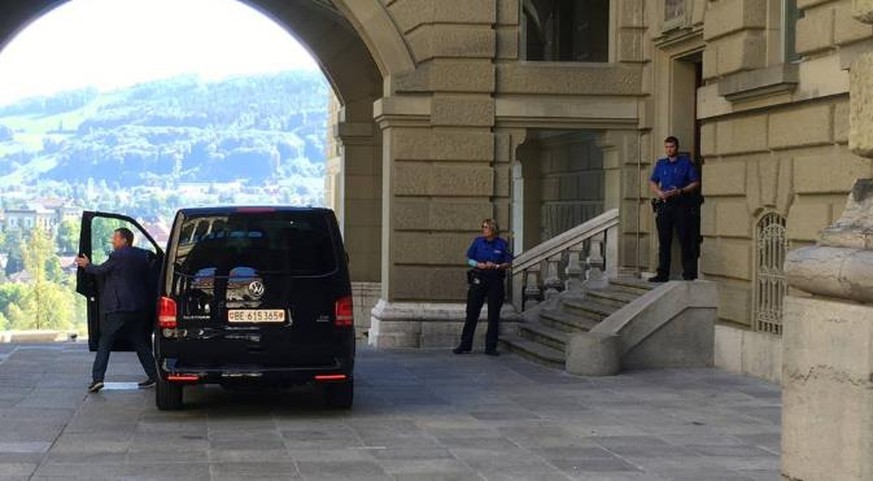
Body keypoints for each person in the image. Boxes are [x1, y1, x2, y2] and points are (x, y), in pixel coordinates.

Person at [75, 227, 159, 393]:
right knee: (140, 342)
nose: (113, 241)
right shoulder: (142, 255)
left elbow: (101, 270)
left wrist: (87, 265)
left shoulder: (118, 256)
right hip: (139, 308)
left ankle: (98, 379)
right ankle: (154, 375)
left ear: (124, 240)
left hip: (119, 307)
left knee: (105, 342)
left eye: (115, 238)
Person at [453, 219, 512, 356]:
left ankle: (490, 346)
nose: (483, 229)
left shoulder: (502, 244)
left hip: (495, 279)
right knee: (472, 311)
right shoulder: (478, 242)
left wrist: (496, 266)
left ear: (493, 230)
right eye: (483, 227)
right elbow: (469, 258)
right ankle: (465, 344)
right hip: (479, 277)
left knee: (493, 314)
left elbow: (508, 262)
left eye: (485, 227)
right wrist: (477, 264)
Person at [648, 136, 701, 282]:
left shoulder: (685, 163)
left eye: (671, 147)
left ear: (676, 147)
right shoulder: (661, 164)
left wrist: (681, 191)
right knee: (664, 241)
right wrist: (659, 192)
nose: (669, 149)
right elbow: (653, 181)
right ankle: (662, 273)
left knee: (685, 238)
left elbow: (695, 182)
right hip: (665, 204)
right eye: (667, 147)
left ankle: (689, 273)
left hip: (681, 203)